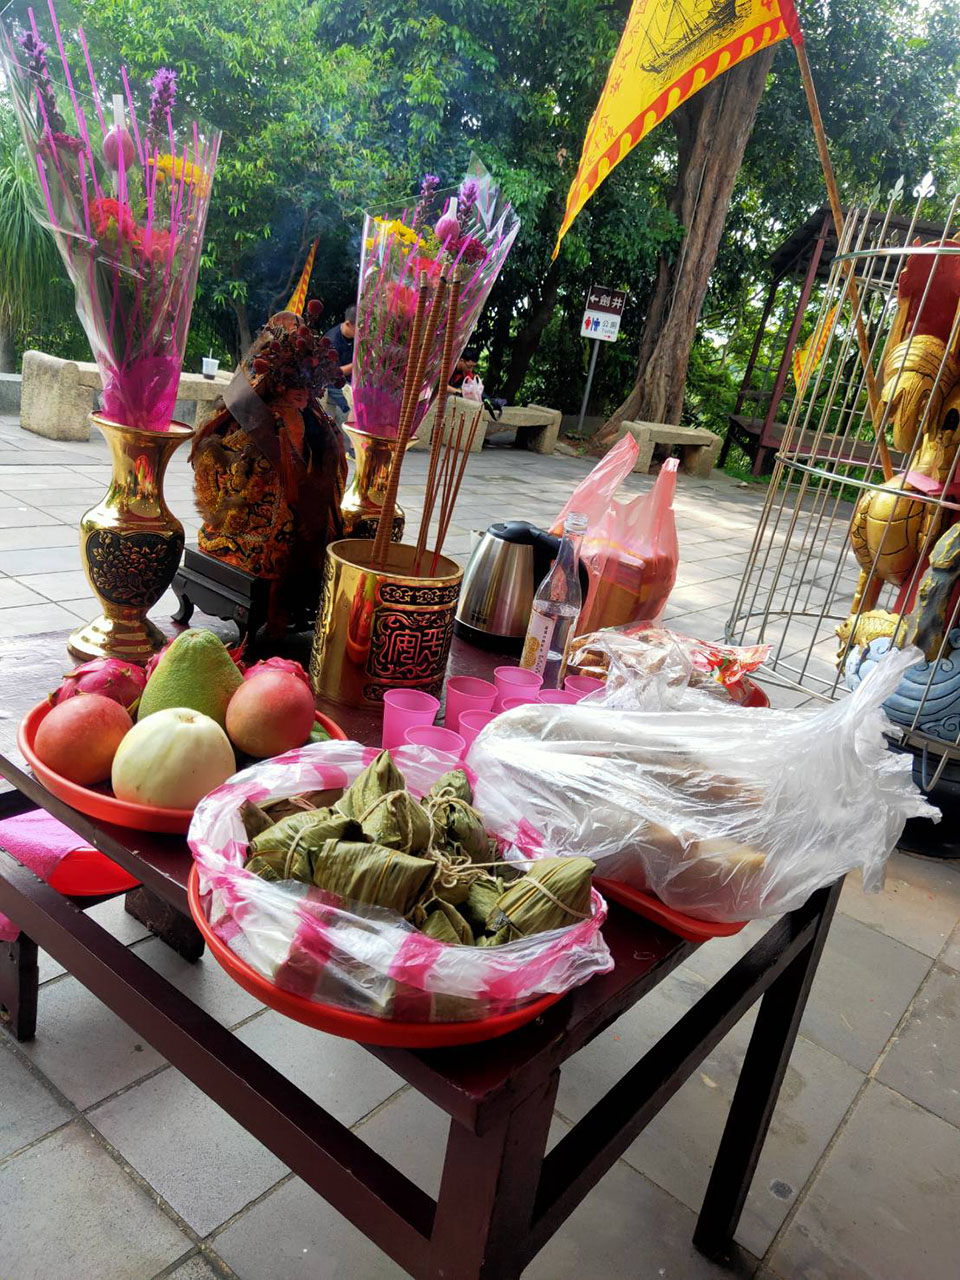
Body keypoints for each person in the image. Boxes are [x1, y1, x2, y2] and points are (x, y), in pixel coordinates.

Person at [324, 304, 356, 422]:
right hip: (333, 384)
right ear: (348, 324)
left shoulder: (356, 338)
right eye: (359, 327)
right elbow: (332, 373)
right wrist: (357, 365)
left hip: (351, 381)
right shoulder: (331, 341)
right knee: (353, 407)